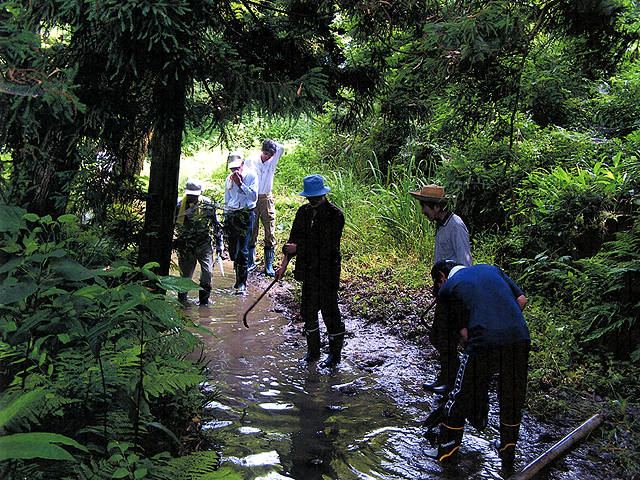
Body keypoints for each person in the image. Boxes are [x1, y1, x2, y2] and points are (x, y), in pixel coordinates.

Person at [423, 261, 530, 477]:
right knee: (511, 397)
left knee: (459, 396)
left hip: (485, 340)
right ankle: (508, 451)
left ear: (443, 277)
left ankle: (446, 451)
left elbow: (461, 335)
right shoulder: (491, 268)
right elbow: (521, 300)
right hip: (520, 336)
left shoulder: (448, 288)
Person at [274, 174, 345, 368]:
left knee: (330, 312)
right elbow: (292, 241)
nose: (312, 200)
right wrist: (283, 265)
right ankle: (313, 352)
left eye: (316, 197)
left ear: (323, 194)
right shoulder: (303, 212)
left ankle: (334, 355)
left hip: (328, 271)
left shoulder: (335, 215)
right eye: (309, 197)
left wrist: (299, 249)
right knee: (308, 311)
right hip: (308, 271)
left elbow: (327, 246)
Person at [410, 184, 473, 394]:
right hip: (444, 289)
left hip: (454, 291)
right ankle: (447, 377)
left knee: (444, 337)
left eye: (425, 207)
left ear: (436, 207)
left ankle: (451, 380)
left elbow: (465, 264)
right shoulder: (442, 225)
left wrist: (452, 288)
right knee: (439, 336)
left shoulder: (456, 226)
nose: (423, 212)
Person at [174, 179, 221, 306]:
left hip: (203, 243)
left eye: (194, 195)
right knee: (185, 276)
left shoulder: (206, 204)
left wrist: (219, 244)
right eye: (189, 195)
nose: (192, 198)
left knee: (207, 272)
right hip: (186, 245)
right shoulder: (178, 204)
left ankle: (204, 303)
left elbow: (215, 224)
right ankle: (182, 303)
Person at [245, 139, 285, 276]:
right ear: (262, 151)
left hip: (267, 198)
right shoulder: (251, 160)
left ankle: (268, 266)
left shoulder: (273, 160)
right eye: (266, 153)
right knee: (252, 230)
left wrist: (273, 144)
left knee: (270, 230)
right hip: (253, 198)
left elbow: (281, 147)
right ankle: (251, 262)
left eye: (271, 154)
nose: (268, 157)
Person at [224, 153, 258, 293]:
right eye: (232, 169)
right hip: (232, 214)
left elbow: (254, 196)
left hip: (246, 214)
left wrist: (240, 184)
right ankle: (237, 281)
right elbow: (228, 198)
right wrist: (226, 214)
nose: (234, 171)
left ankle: (242, 283)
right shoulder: (228, 178)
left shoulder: (251, 176)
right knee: (233, 250)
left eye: (237, 167)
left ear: (242, 164)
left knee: (243, 248)